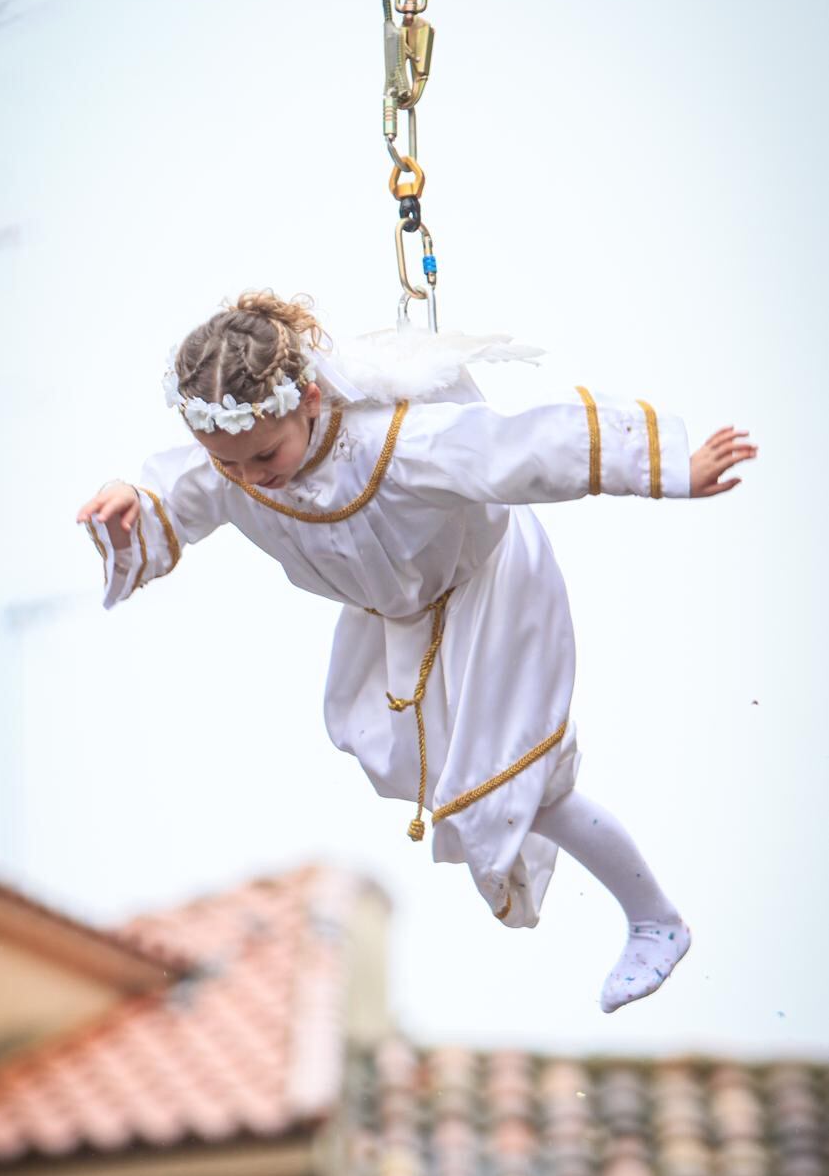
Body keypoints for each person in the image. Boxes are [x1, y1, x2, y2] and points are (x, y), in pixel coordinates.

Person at [77, 290, 757, 1012]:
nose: (251, 478)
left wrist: (666, 467)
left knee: (502, 779)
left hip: (488, 588)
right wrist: (131, 501)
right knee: (401, 759)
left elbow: (525, 448)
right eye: (230, 463)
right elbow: (174, 491)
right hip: (394, 618)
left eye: (263, 456)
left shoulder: (397, 443)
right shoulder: (232, 460)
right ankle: (648, 913)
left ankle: (655, 921)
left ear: (309, 398)